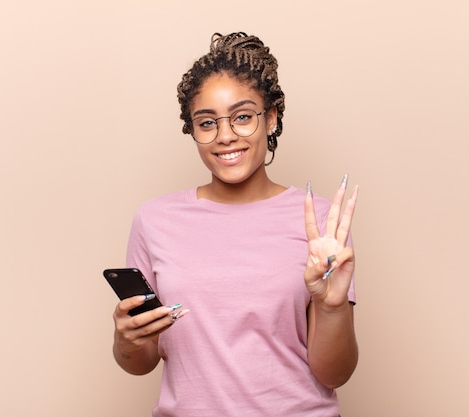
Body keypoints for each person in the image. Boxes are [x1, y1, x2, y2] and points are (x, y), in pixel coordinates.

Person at [111, 32, 359, 417]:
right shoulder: (155, 221)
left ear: (271, 118)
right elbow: (139, 362)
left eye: (243, 117)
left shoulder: (321, 221)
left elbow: (334, 373)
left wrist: (331, 306)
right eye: (207, 122)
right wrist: (125, 340)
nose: (225, 136)